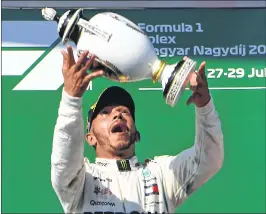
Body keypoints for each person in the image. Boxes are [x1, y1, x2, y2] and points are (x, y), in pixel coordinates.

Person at [51, 46, 224, 214]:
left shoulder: (161, 174)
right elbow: (63, 161)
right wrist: (71, 100)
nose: (117, 114)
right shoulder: (81, 180)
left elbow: (209, 159)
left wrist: (205, 107)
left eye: (125, 112)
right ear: (90, 138)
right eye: (105, 113)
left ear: (137, 135)